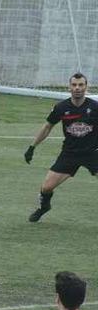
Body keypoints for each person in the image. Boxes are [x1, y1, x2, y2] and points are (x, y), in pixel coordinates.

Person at [24, 73, 98, 222]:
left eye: (81, 85)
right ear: (69, 87)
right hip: (69, 154)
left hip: (93, 153)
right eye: (74, 85)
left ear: (86, 87)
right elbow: (47, 127)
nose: (77, 88)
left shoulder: (94, 107)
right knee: (46, 188)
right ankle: (44, 207)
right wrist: (32, 147)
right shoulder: (61, 107)